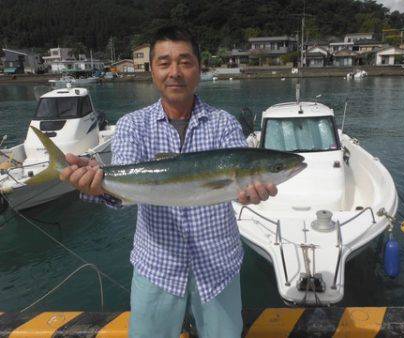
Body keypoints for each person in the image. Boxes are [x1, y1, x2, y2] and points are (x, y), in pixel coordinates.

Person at [60, 26, 277, 338]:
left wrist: (250, 195)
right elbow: (124, 194)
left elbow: (235, 189)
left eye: (185, 62)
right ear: (152, 70)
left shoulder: (224, 124)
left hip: (218, 265)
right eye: (164, 63)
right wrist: (96, 186)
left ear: (200, 68)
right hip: (157, 266)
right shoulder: (132, 126)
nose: (175, 72)